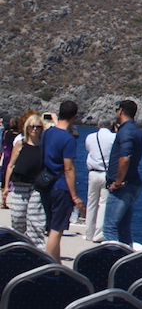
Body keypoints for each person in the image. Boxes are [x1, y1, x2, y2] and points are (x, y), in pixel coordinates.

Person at [41, 101, 86, 260]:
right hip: (60, 186)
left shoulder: (46, 133)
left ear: (59, 113)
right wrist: (75, 196)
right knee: (57, 230)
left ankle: (56, 264)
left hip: (46, 184)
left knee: (51, 226)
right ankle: (47, 264)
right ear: (74, 117)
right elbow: (69, 169)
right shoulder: (68, 139)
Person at [103, 100, 142, 247]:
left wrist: (118, 182)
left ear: (120, 111)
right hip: (133, 182)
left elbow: (125, 158)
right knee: (124, 229)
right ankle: (127, 258)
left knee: (109, 228)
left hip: (123, 186)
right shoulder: (136, 130)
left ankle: (111, 258)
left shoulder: (126, 131)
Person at [3, 114, 46, 247]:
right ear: (27, 128)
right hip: (20, 185)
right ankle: (17, 245)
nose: (34, 129)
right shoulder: (20, 144)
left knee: (35, 219)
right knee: (17, 217)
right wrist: (6, 187)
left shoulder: (44, 146)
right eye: (31, 126)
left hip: (36, 187)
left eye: (38, 127)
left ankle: (37, 248)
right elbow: (11, 165)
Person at [84, 121, 116, 242]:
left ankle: (89, 233)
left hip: (93, 173)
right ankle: (98, 234)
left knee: (91, 203)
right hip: (106, 173)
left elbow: (89, 149)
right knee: (103, 204)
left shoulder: (90, 137)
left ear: (98, 124)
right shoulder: (114, 137)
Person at [1, 116, 23, 209]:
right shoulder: (19, 137)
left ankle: (4, 200)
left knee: (5, 176)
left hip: (6, 155)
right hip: (14, 155)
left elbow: (3, 144)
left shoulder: (6, 133)